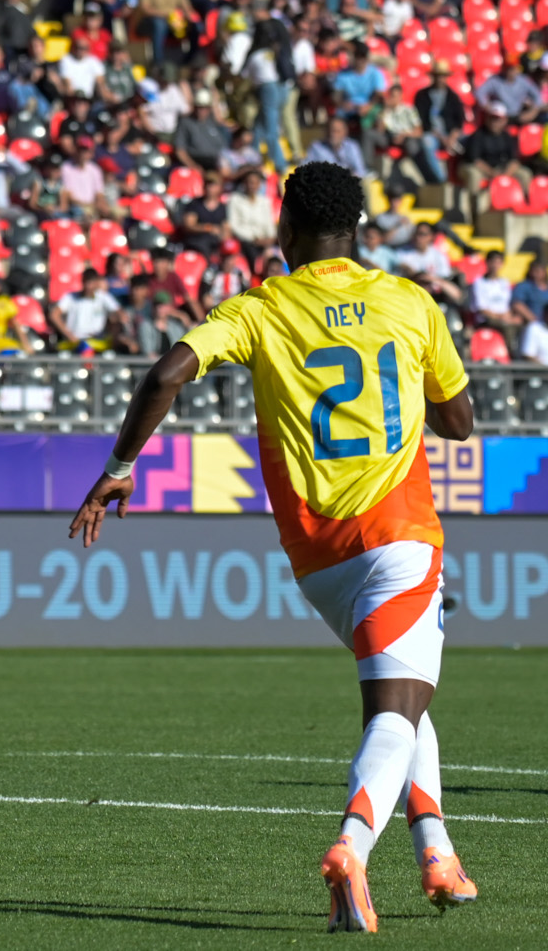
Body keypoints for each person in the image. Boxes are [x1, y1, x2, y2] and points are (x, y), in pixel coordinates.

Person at [69, 161, 478, 931]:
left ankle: (438, 851)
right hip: (397, 533)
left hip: (318, 558)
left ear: (286, 228)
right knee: (395, 707)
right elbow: (459, 422)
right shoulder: (409, 302)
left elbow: (164, 375)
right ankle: (352, 846)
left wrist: (119, 466)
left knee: (404, 691)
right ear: (356, 228)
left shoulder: (259, 307)